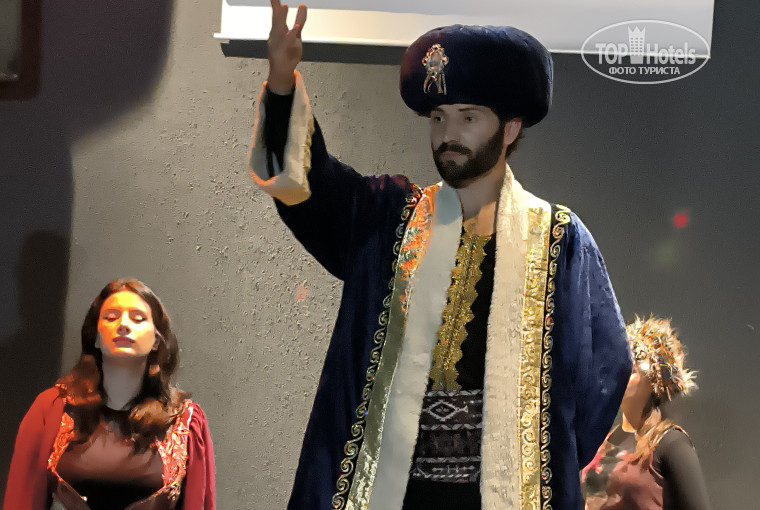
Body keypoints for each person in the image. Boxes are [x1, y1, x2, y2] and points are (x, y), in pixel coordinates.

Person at [248, 2, 632, 508]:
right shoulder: (390, 218)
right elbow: (310, 187)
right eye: (438, 117)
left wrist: (539, 458)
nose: (448, 134)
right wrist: (281, 80)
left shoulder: (559, 241)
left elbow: (606, 367)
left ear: (509, 128)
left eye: (468, 117)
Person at [3, 278, 215, 510]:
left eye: (138, 318)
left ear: (156, 340)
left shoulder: (185, 421)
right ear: (96, 336)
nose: (123, 325)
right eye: (111, 317)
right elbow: (21, 501)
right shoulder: (53, 408)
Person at [581, 316, 710, 510]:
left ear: (654, 381)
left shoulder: (671, 445)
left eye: (630, 370)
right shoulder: (603, 442)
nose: (618, 376)